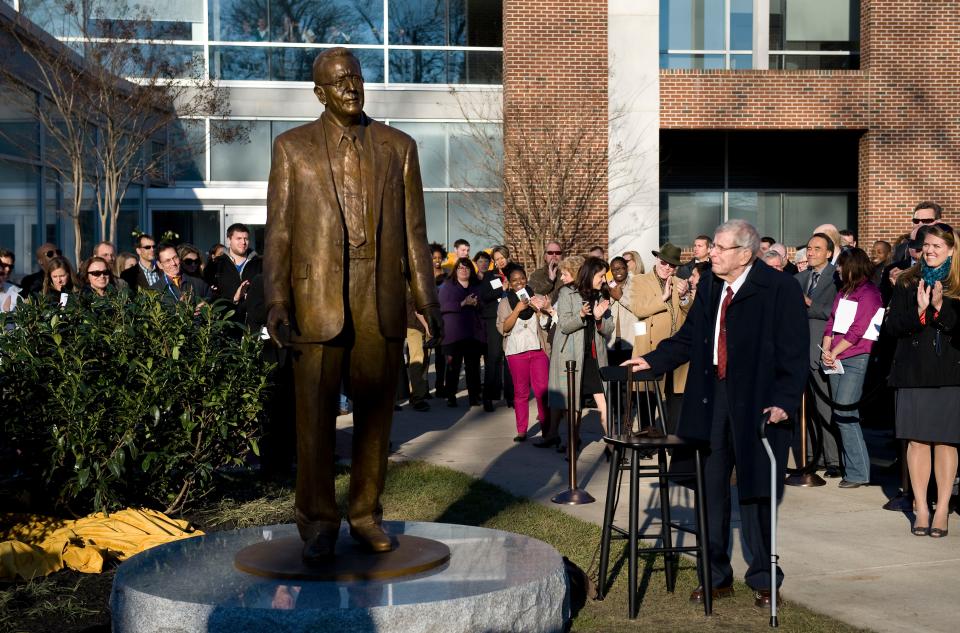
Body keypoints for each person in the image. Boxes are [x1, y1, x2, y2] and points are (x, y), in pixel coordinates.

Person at [263, 47, 442, 559]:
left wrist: (426, 300)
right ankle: (318, 520)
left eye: (356, 78)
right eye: (339, 82)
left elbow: (414, 232)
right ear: (319, 92)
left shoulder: (398, 147)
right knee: (315, 419)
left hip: (377, 295)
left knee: (375, 417)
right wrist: (276, 299)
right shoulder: (291, 148)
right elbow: (277, 233)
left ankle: (365, 513)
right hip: (315, 297)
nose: (351, 88)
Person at [623, 219, 808, 607]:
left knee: (757, 493)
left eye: (721, 248)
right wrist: (652, 361)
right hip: (711, 400)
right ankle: (716, 576)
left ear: (745, 253)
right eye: (714, 247)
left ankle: (763, 578)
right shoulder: (709, 284)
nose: (711, 254)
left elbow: (794, 354)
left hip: (758, 403)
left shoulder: (779, 288)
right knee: (711, 490)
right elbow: (689, 339)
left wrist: (784, 403)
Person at [885, 222, 960, 538]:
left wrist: (940, 308)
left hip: (948, 373)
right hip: (913, 370)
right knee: (916, 441)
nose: (929, 251)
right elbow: (891, 328)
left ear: (952, 250)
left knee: (944, 441)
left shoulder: (958, 284)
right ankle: (921, 507)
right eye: (926, 246)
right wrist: (918, 311)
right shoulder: (905, 281)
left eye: (937, 247)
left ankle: (942, 508)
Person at [820, 248, 883, 488]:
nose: (837, 269)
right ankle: (852, 467)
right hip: (835, 355)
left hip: (855, 357)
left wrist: (834, 351)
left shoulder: (869, 293)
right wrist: (827, 346)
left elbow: (859, 328)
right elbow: (833, 320)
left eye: (840, 265)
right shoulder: (845, 291)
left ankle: (859, 472)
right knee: (840, 414)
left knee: (847, 413)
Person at [548, 256, 613, 455]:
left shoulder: (602, 295)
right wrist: (581, 316)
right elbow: (565, 325)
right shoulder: (568, 292)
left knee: (603, 402)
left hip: (593, 357)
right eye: (601, 275)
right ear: (591, 273)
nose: (603, 279)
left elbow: (608, 329)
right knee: (572, 404)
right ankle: (573, 445)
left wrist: (600, 319)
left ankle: (613, 446)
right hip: (571, 357)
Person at [631, 243, 693, 430]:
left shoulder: (679, 284)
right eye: (665, 263)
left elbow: (688, 315)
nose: (668, 268)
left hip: (675, 349)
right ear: (658, 259)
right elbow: (638, 309)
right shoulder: (640, 280)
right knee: (647, 396)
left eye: (672, 265)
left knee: (675, 396)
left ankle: (674, 439)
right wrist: (662, 298)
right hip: (650, 347)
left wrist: (684, 298)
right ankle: (646, 439)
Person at [795, 232, 842, 478]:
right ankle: (812, 456)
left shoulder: (838, 278)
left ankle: (833, 459)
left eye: (816, 248)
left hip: (823, 350)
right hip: (799, 351)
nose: (810, 252)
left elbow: (835, 312)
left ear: (829, 253)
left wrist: (808, 304)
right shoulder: (798, 277)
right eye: (809, 248)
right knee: (806, 410)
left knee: (825, 407)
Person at [497, 264, 552, 442]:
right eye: (515, 281)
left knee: (542, 392)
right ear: (510, 284)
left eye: (522, 279)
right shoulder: (505, 302)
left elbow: (546, 325)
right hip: (516, 353)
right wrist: (517, 310)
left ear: (526, 279)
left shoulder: (536, 298)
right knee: (520, 393)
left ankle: (547, 430)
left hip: (538, 352)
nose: (519, 282)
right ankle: (522, 430)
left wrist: (541, 310)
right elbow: (503, 328)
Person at [439, 257, 485, 408]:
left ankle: (474, 396)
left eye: (467, 268)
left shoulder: (477, 286)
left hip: (473, 333)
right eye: (460, 268)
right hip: (454, 334)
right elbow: (442, 306)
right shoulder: (448, 286)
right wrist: (463, 303)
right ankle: (450, 395)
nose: (464, 270)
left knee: (473, 368)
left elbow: (484, 306)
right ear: (455, 270)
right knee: (453, 367)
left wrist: (477, 304)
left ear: (471, 270)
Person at [479, 245, 514, 412]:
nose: (500, 261)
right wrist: (502, 289)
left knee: (510, 358)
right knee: (493, 358)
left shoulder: (515, 273)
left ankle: (510, 396)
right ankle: (489, 397)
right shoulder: (489, 276)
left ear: (508, 257)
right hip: (494, 320)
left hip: (512, 318)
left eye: (502, 257)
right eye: (497, 258)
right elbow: (484, 297)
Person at [204, 223, 263, 322]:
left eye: (246, 239)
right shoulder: (216, 265)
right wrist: (234, 298)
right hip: (225, 323)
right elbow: (210, 297)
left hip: (253, 324)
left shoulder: (259, 264)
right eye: (239, 238)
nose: (243, 242)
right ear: (229, 240)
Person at [606, 256, 637, 367]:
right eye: (614, 269)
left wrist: (620, 297)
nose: (618, 271)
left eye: (621, 268)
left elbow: (638, 308)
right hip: (611, 341)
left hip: (630, 340)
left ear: (627, 269)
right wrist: (613, 296)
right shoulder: (607, 287)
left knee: (629, 377)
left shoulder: (635, 284)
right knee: (613, 378)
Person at [429, 242, 448, 397]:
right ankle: (421, 390)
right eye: (434, 257)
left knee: (443, 353)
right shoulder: (425, 275)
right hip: (427, 317)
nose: (436, 260)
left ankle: (440, 384)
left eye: (439, 258)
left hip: (445, 317)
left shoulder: (448, 274)